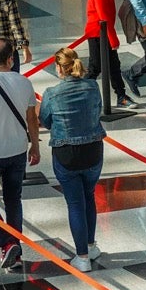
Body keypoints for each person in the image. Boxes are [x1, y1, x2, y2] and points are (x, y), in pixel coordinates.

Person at [39, 48, 106, 273]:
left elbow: (46, 121)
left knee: (75, 203)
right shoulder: (92, 86)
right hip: (93, 151)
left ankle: (82, 256)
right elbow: (98, 112)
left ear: (59, 68)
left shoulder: (51, 93)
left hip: (66, 154)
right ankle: (90, 245)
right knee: (89, 197)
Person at [0, 39, 40, 270]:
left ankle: (7, 242)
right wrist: (35, 146)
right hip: (17, 152)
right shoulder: (24, 83)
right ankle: (16, 250)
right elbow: (32, 118)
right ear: (12, 59)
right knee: (14, 200)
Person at [83, 0, 139, 109]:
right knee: (95, 67)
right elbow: (104, 18)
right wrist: (113, 40)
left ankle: (121, 96)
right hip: (97, 34)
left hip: (103, 32)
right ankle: (80, 94)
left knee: (113, 65)